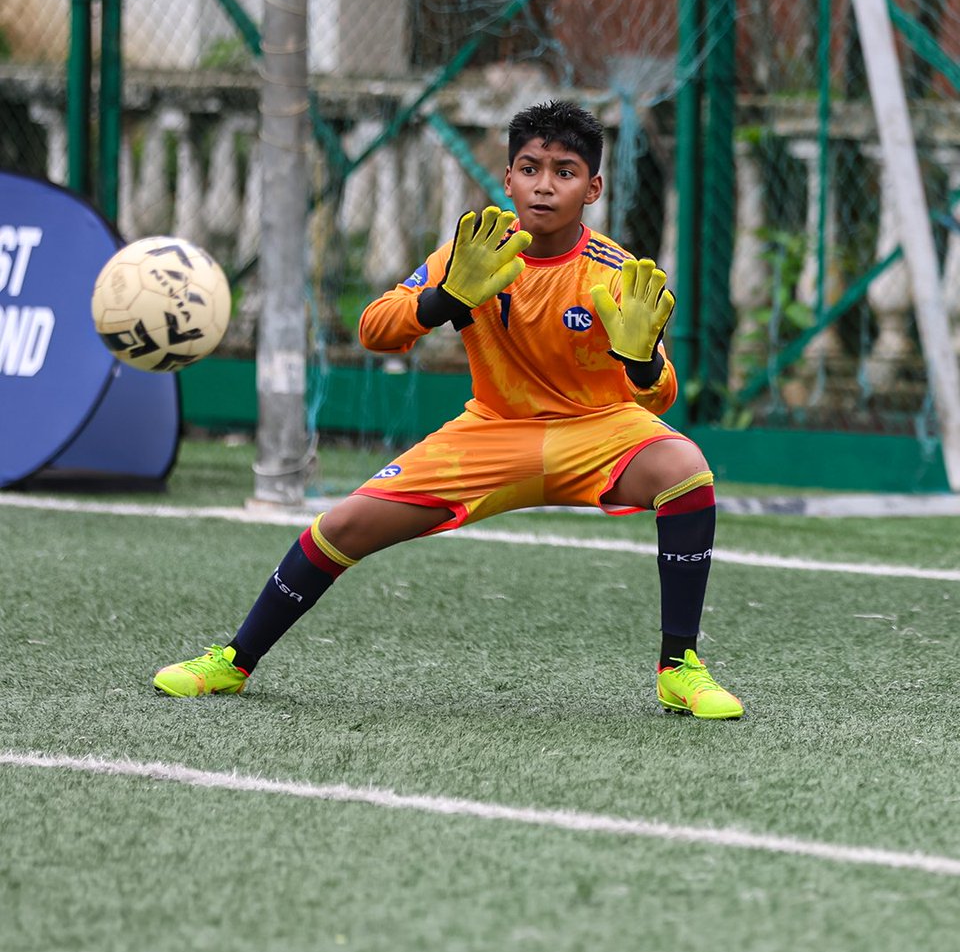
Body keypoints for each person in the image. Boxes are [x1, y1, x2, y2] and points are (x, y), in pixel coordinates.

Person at [154, 99, 744, 719]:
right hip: (490, 431)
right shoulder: (474, 252)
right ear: (508, 178)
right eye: (530, 167)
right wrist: (445, 298)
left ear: (593, 187)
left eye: (565, 172)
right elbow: (374, 328)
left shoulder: (615, 270)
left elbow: (662, 395)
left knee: (683, 467)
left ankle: (679, 668)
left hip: (596, 430)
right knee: (342, 527)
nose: (545, 185)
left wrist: (643, 359)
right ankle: (233, 661)